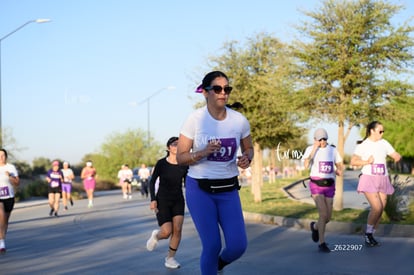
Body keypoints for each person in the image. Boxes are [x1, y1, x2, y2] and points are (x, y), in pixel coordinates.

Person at [176, 71, 254, 275]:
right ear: (205, 92)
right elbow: (180, 157)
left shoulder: (239, 121)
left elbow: (249, 148)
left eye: (227, 89)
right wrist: (202, 153)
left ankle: (218, 265)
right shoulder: (194, 120)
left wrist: (247, 158)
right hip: (199, 189)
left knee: (238, 246)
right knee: (211, 246)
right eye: (217, 89)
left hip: (228, 189)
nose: (223, 93)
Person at [350, 121, 401, 247]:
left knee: (381, 208)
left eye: (383, 131)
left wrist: (397, 157)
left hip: (382, 178)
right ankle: (368, 234)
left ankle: (371, 233)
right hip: (369, 178)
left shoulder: (384, 143)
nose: (382, 133)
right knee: (376, 207)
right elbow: (353, 161)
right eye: (380, 131)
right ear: (372, 131)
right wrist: (367, 162)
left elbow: (395, 154)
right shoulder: (364, 145)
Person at [146, 136, 189, 269]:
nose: (177, 146)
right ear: (168, 147)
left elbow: (187, 183)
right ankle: (156, 236)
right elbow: (152, 182)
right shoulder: (161, 163)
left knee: (177, 229)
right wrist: (153, 199)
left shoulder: (184, 164)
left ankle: (170, 258)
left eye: (179, 144)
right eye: (175, 144)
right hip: (162, 200)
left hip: (178, 199)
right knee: (166, 232)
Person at [302, 128, 343, 253]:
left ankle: (315, 226)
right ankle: (322, 243)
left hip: (330, 185)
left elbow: (340, 163)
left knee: (328, 217)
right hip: (316, 185)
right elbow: (305, 165)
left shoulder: (332, 150)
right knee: (323, 214)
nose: (323, 141)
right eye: (320, 139)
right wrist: (314, 149)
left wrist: (339, 169)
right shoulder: (310, 149)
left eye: (324, 139)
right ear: (315, 140)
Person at [0, 149, 19, 254]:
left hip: (9, 197)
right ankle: (1, 243)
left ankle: (2, 238)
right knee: (1, 214)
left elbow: (17, 183)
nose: (1, 157)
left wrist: (10, 177)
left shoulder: (11, 167)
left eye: (3, 155)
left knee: (5, 221)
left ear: (6, 156)